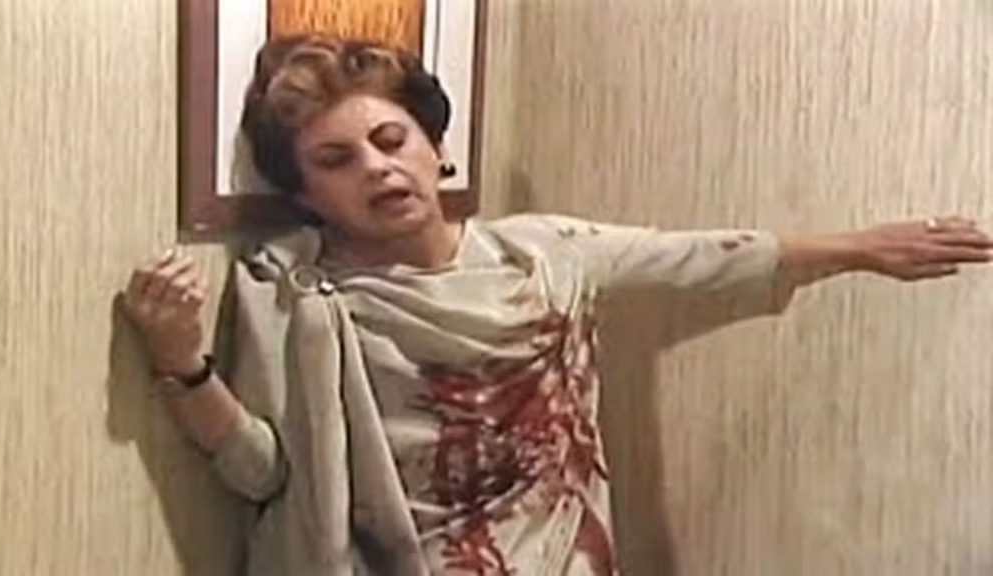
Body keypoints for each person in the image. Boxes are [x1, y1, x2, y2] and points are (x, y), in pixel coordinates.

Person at [122, 35, 993, 576]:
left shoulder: (539, 254)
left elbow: (693, 256)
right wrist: (181, 363)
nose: (377, 169)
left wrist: (859, 248)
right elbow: (263, 473)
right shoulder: (296, 298)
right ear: (305, 194)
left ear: (436, 148)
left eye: (391, 140)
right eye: (335, 160)